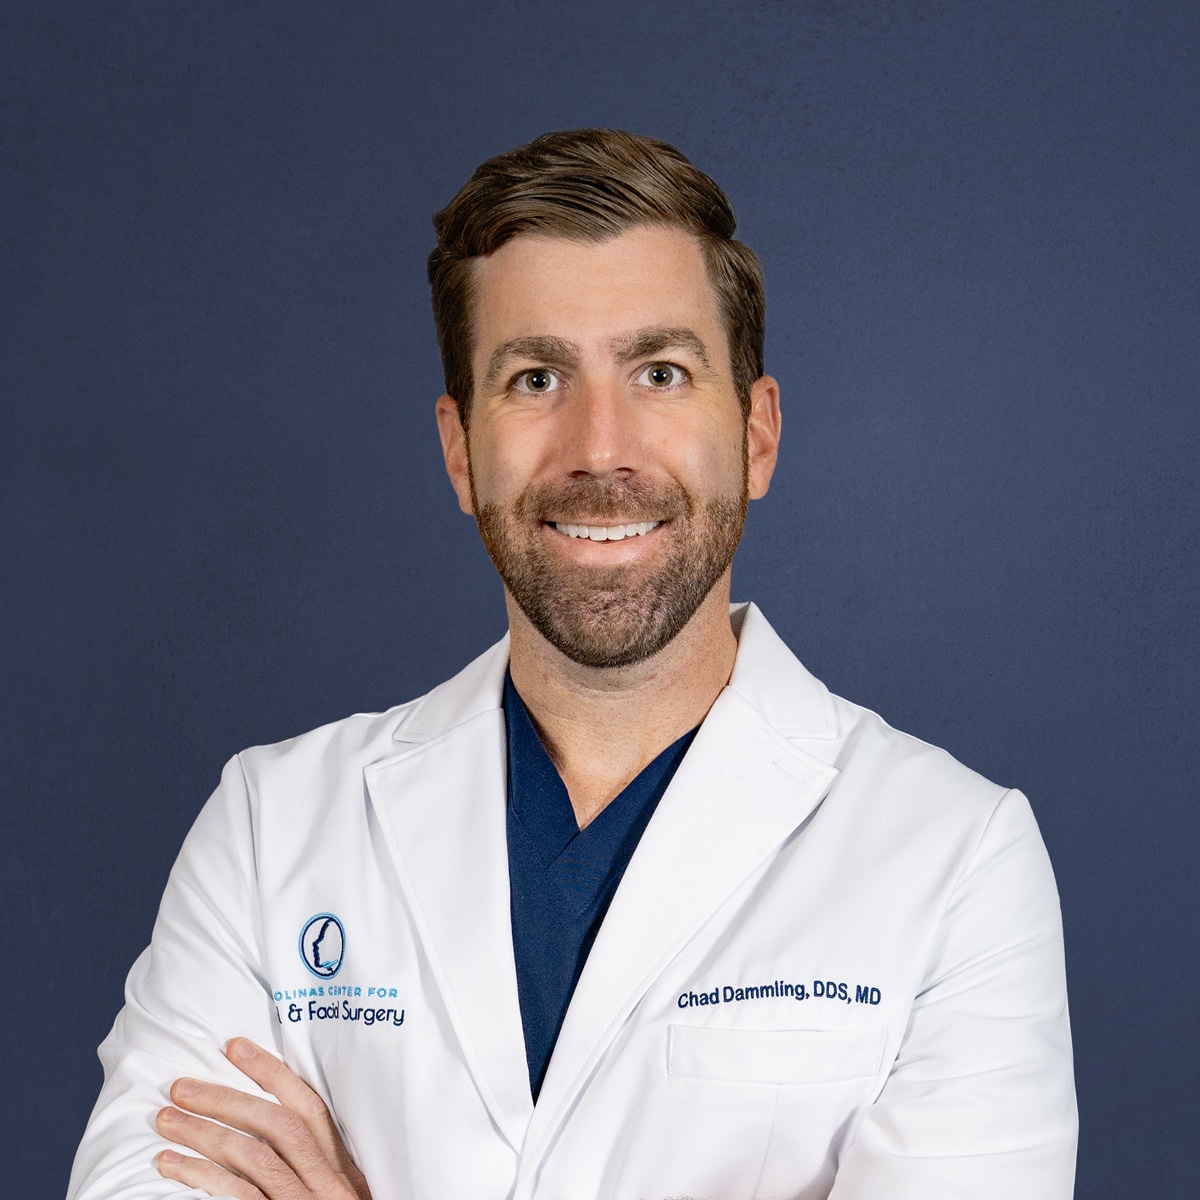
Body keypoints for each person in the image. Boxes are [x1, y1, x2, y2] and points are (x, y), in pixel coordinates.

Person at [67, 129, 1077, 1200]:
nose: (600, 448)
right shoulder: (271, 828)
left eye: (660, 373)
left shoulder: (956, 858)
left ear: (758, 435)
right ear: (460, 450)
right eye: (537, 377)